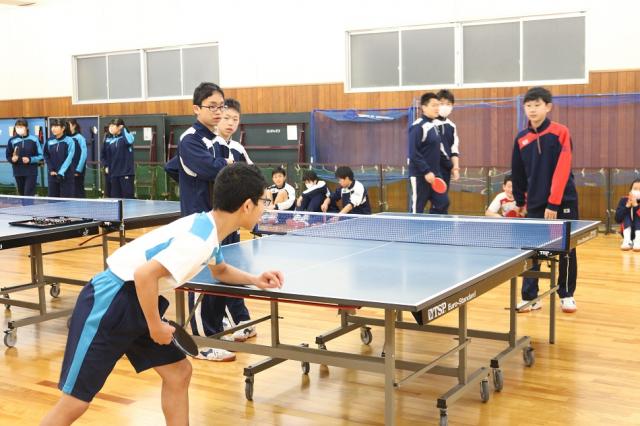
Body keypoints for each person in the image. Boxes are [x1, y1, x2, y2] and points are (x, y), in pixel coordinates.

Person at [40, 163, 283, 426]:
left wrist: (254, 279)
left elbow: (220, 270)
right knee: (75, 402)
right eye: (263, 202)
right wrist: (155, 326)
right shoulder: (197, 240)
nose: (265, 208)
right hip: (111, 301)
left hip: (141, 300)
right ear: (246, 205)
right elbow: (144, 275)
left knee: (179, 372)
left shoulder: (208, 228)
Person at [511, 86, 579, 314]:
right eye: (528, 106)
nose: (532, 110)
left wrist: (554, 203)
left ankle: (566, 294)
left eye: (537, 105)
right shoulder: (521, 139)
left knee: (566, 249)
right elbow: (518, 173)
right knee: (533, 250)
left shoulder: (560, 132)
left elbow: (563, 168)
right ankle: (531, 297)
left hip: (563, 202)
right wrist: (520, 202)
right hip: (535, 203)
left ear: (548, 107)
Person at [408, 92, 449, 214]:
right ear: (424, 107)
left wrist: (451, 166)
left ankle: (434, 226)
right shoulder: (418, 126)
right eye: (434, 105)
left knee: (443, 203)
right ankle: (414, 226)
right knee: (417, 209)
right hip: (420, 176)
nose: (437, 108)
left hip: (435, 175)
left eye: (438, 105)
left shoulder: (434, 126)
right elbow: (413, 152)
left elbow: (438, 150)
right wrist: (426, 171)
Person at [436, 89, 461, 207]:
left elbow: (454, 149)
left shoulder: (452, 126)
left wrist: (455, 168)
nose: (445, 106)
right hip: (430, 168)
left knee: (442, 203)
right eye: (442, 103)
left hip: (445, 169)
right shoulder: (429, 123)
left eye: (448, 104)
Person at [5, 118, 42, 196]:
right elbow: (8, 155)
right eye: (17, 127)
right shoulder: (12, 140)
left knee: (28, 194)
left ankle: (29, 204)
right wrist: (12, 159)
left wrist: (30, 159)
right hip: (18, 172)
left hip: (31, 172)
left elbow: (41, 156)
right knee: (22, 195)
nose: (19, 129)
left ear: (26, 127)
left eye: (21, 127)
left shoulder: (34, 139)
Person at [43, 118, 76, 198]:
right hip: (53, 175)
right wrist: (51, 169)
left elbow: (69, 158)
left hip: (66, 175)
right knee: (52, 201)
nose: (53, 128)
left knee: (66, 201)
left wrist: (61, 172)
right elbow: (46, 155)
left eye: (56, 126)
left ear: (63, 128)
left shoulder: (69, 141)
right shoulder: (49, 141)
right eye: (52, 126)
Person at [103, 119, 135, 198]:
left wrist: (123, 129)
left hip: (126, 173)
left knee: (128, 199)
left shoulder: (127, 137)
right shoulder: (109, 140)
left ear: (119, 127)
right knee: (115, 198)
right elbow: (104, 155)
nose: (110, 128)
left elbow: (129, 141)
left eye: (112, 126)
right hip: (114, 174)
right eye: (110, 126)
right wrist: (106, 166)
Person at [614, 179, 640, 251]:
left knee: (638, 215)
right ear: (630, 190)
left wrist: (636, 206)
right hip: (626, 233)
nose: (638, 191)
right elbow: (617, 219)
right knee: (626, 213)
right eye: (635, 189)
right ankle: (627, 241)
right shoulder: (624, 200)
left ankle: (638, 241)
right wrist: (627, 206)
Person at [67, 119, 88, 198]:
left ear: (74, 126)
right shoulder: (66, 138)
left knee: (78, 191)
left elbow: (84, 154)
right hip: (67, 170)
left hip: (77, 170)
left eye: (68, 125)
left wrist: (78, 169)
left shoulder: (80, 138)